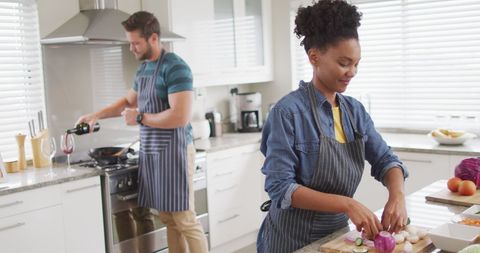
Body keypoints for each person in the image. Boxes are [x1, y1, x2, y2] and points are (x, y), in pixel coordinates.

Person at [256, 1, 409, 252]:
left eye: (356, 63)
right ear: (314, 56)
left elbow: (386, 160)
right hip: (291, 240)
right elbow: (280, 187)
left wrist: (397, 196)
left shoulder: (355, 111)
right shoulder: (287, 113)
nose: (352, 72)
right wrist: (347, 204)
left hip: (338, 238)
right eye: (344, 63)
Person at [76, 11, 209, 253]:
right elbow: (127, 101)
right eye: (130, 43)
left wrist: (140, 117)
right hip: (154, 153)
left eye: (136, 43)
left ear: (154, 39)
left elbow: (180, 116)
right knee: (169, 219)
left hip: (176, 152)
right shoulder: (144, 70)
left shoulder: (176, 68)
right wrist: (96, 115)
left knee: (185, 219)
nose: (132, 48)